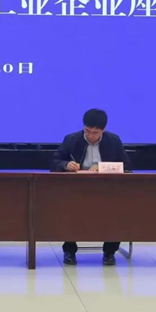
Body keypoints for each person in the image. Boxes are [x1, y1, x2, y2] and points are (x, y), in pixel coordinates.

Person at [51, 109, 131, 266]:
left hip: (108, 188)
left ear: (103, 130)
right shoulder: (72, 139)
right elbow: (54, 161)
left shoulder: (113, 140)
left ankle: (109, 252)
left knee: (115, 212)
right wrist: (66, 165)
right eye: (87, 131)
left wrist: (103, 167)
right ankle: (69, 251)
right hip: (76, 188)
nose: (90, 135)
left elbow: (126, 166)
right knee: (70, 211)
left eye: (95, 132)